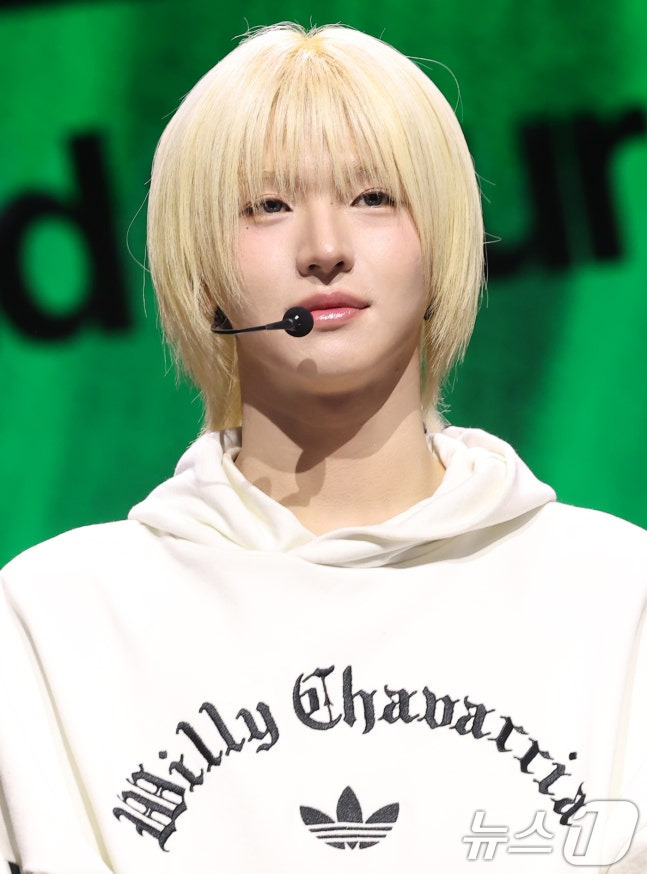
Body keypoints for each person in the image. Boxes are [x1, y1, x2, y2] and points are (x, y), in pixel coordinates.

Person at [0, 22, 645, 874]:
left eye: (373, 197)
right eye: (267, 206)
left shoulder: (614, 593)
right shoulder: (54, 619)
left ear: (442, 240)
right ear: (199, 267)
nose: (325, 249)